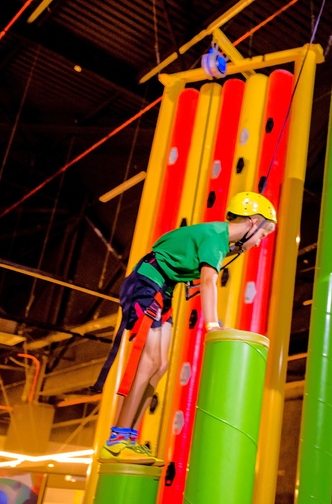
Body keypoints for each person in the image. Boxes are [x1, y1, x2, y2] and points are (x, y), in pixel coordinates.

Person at [94, 191, 277, 465]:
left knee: (162, 363)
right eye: (262, 235)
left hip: (162, 288)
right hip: (146, 283)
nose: (260, 242)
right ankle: (117, 439)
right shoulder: (216, 238)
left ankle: (130, 436)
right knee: (149, 359)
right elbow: (207, 283)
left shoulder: (218, 240)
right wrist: (212, 325)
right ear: (252, 222)